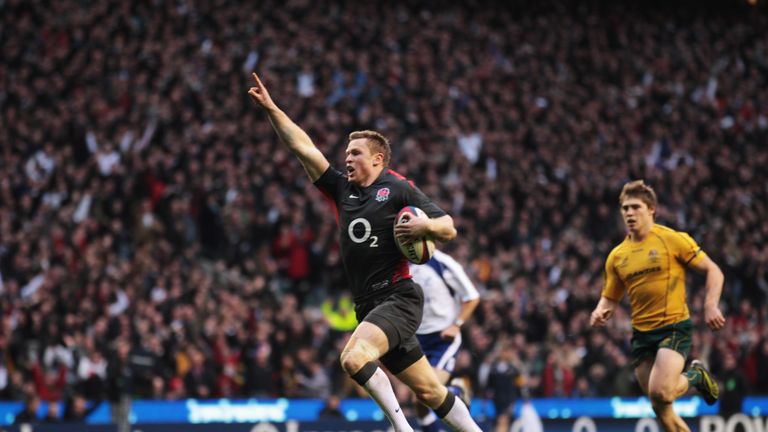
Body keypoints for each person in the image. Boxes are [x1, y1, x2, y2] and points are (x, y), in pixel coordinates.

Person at [249, 73, 481, 432]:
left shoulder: (400, 189)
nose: (347, 159)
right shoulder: (342, 191)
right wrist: (272, 109)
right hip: (369, 306)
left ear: (377, 159)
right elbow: (304, 148)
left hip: (399, 299)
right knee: (430, 391)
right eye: (345, 153)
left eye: (354, 153)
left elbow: (448, 227)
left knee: (353, 358)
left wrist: (425, 227)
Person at [590, 180, 725, 432]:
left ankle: (696, 375)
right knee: (660, 406)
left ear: (651, 209)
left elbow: (713, 270)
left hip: (673, 327)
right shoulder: (617, 256)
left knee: (661, 391)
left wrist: (710, 305)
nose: (629, 213)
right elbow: (610, 296)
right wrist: (600, 309)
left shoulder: (671, 240)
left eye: (635, 207)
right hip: (642, 335)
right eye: (625, 208)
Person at [408, 249, 480, 432]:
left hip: (442, 338)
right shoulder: (402, 265)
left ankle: (457, 391)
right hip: (417, 338)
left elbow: (472, 297)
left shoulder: (443, 262)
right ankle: (454, 391)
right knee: (418, 403)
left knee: (428, 393)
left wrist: (457, 325)